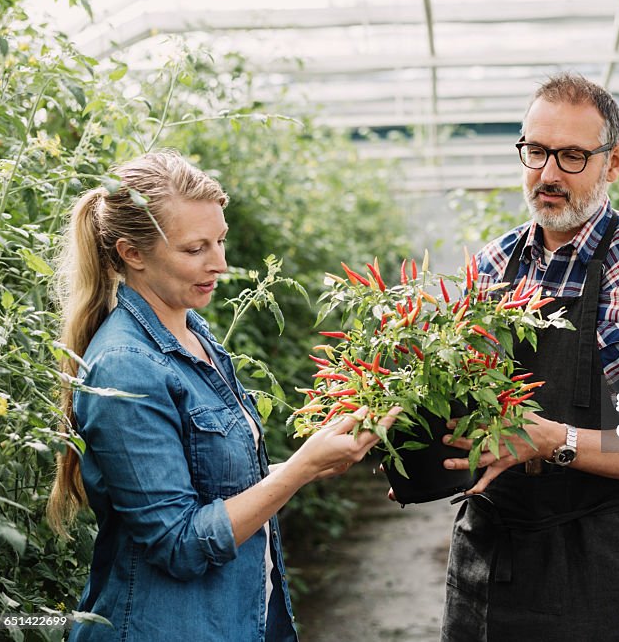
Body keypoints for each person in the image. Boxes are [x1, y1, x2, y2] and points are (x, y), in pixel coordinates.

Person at [47, 150, 396, 641]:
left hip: (238, 617)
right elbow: (179, 543)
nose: (220, 263)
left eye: (220, 241)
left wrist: (311, 461)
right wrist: (299, 470)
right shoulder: (127, 366)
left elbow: (217, 491)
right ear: (133, 253)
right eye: (195, 250)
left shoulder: (193, 331)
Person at [440, 73, 619, 640]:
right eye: (536, 151)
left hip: (599, 568)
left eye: (573, 156)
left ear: (613, 163)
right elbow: (462, 406)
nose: (549, 173)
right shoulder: (490, 268)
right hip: (489, 558)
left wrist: (555, 440)